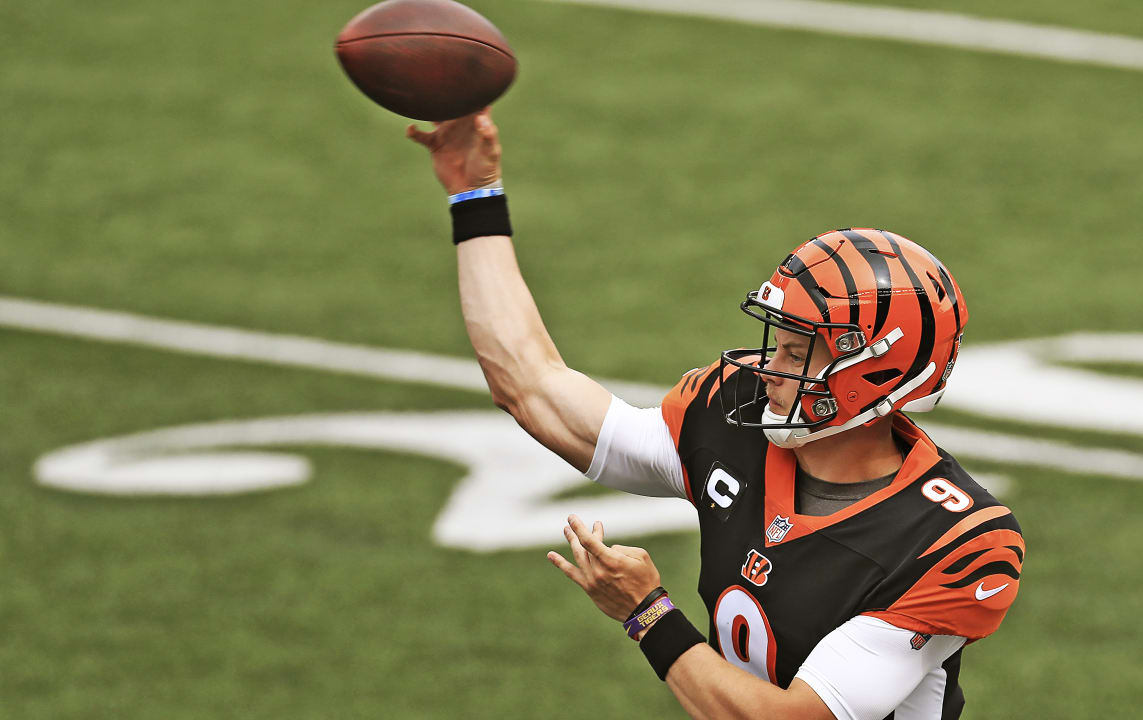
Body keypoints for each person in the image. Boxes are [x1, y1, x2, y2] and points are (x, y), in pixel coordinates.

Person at [407, 109, 1024, 720]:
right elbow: (532, 388)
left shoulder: (954, 541)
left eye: (797, 350)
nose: (770, 365)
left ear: (873, 373)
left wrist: (647, 612)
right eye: (778, 338)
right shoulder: (735, 417)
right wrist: (475, 196)